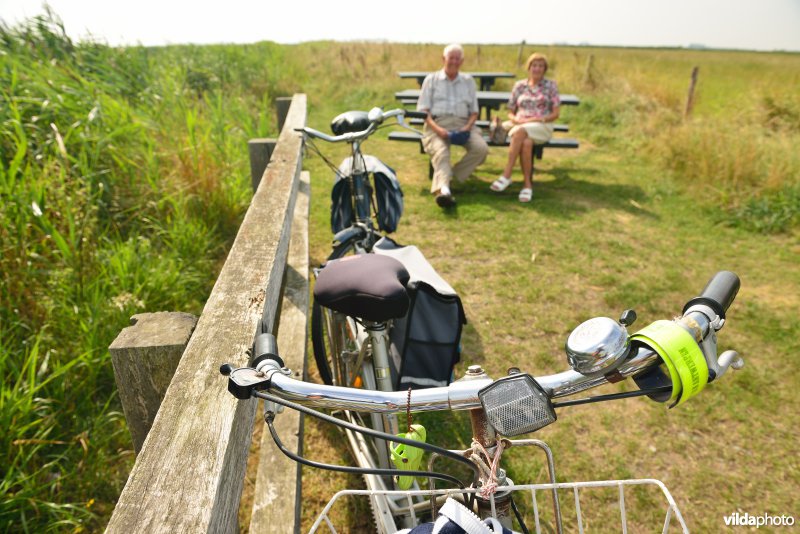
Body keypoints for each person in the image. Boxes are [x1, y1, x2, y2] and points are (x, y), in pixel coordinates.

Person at [417, 44, 489, 208]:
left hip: (464, 124)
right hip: (437, 123)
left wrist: (466, 127)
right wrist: (438, 129)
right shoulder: (431, 80)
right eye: (451, 58)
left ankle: (448, 178)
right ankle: (444, 192)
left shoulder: (468, 81)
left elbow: (474, 112)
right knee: (442, 152)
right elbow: (424, 112)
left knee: (481, 149)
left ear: (462, 61)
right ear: (444, 59)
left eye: (458, 58)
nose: (454, 61)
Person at [489, 53, 560, 202]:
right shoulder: (520, 86)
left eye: (541, 66)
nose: (537, 69)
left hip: (541, 125)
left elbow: (555, 114)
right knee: (526, 143)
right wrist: (515, 118)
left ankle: (507, 174)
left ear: (545, 69)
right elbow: (510, 110)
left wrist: (537, 119)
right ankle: (527, 186)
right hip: (520, 124)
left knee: (520, 132)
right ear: (529, 67)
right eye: (534, 65)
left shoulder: (551, 86)